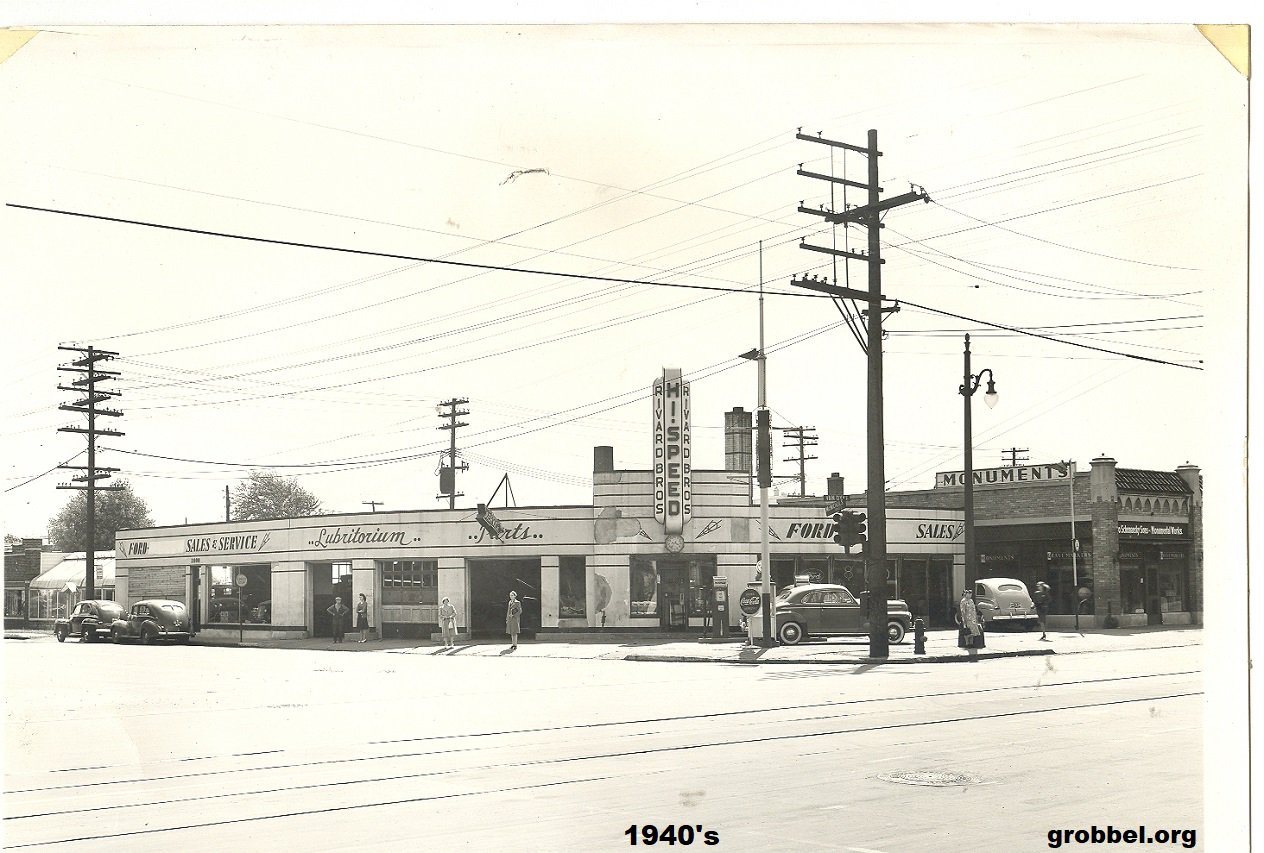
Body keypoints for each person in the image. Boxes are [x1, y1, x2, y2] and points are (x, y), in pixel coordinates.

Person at [958, 588, 985, 660]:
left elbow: (974, 610)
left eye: (971, 594)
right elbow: (963, 611)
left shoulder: (971, 600)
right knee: (968, 631)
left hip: (973, 619)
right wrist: (964, 621)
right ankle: (967, 643)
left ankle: (971, 643)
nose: (970, 595)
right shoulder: (963, 601)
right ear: (965, 594)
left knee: (975, 632)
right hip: (967, 619)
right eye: (968, 593)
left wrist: (976, 618)